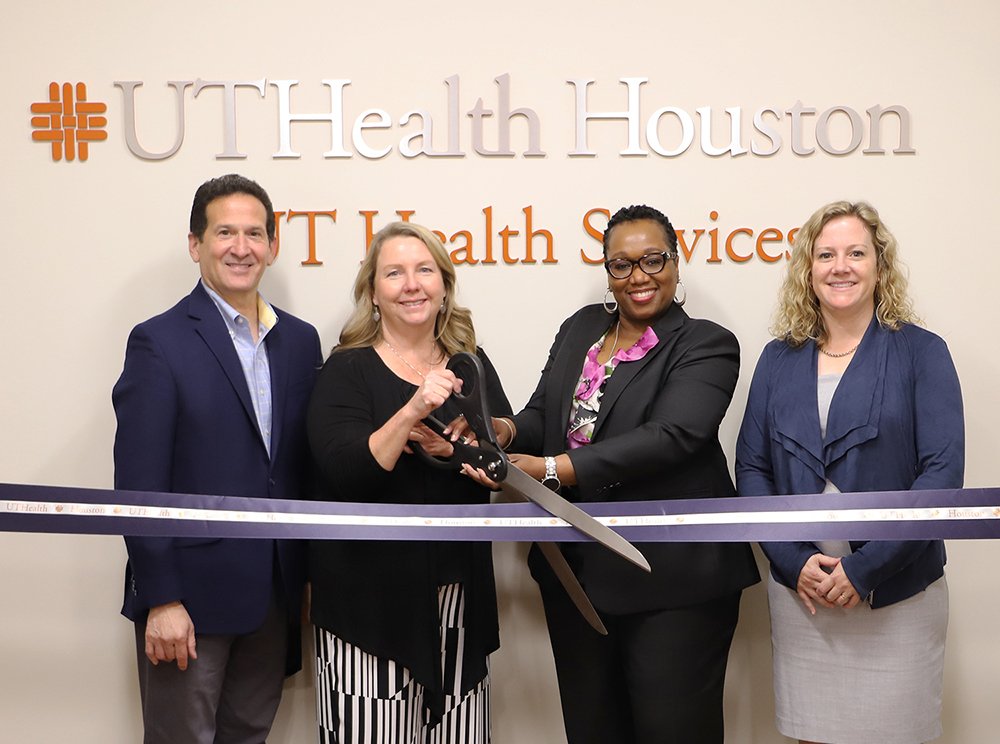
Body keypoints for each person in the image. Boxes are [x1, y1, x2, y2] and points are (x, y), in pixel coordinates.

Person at [477, 205, 760, 743]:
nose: (639, 276)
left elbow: (672, 436)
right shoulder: (582, 327)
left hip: (673, 581)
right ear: (607, 271)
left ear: (677, 264)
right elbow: (547, 414)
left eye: (653, 260)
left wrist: (553, 471)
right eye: (622, 264)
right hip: (577, 577)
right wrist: (506, 432)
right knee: (592, 731)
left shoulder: (706, 343)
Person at [736, 200, 963, 744]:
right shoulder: (777, 359)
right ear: (807, 270)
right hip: (804, 598)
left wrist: (864, 572)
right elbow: (752, 467)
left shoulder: (922, 352)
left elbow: (941, 473)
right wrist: (793, 564)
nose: (841, 266)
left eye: (856, 252)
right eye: (826, 254)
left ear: (879, 265)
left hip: (899, 593)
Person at [112, 174, 322, 743]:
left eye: (255, 233)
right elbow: (138, 482)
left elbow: (299, 468)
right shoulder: (158, 342)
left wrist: (305, 578)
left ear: (273, 246)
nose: (241, 246)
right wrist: (162, 598)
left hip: (273, 597)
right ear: (195, 244)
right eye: (224, 231)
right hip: (188, 602)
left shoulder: (300, 342)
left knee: (249, 735)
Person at [306, 221, 512, 744]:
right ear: (373, 292)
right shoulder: (345, 369)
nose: (411, 284)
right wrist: (413, 408)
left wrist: (466, 447)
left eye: (424, 270)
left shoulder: (471, 362)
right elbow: (344, 471)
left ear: (444, 285)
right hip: (368, 607)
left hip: (457, 598)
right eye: (394, 273)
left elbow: (499, 459)